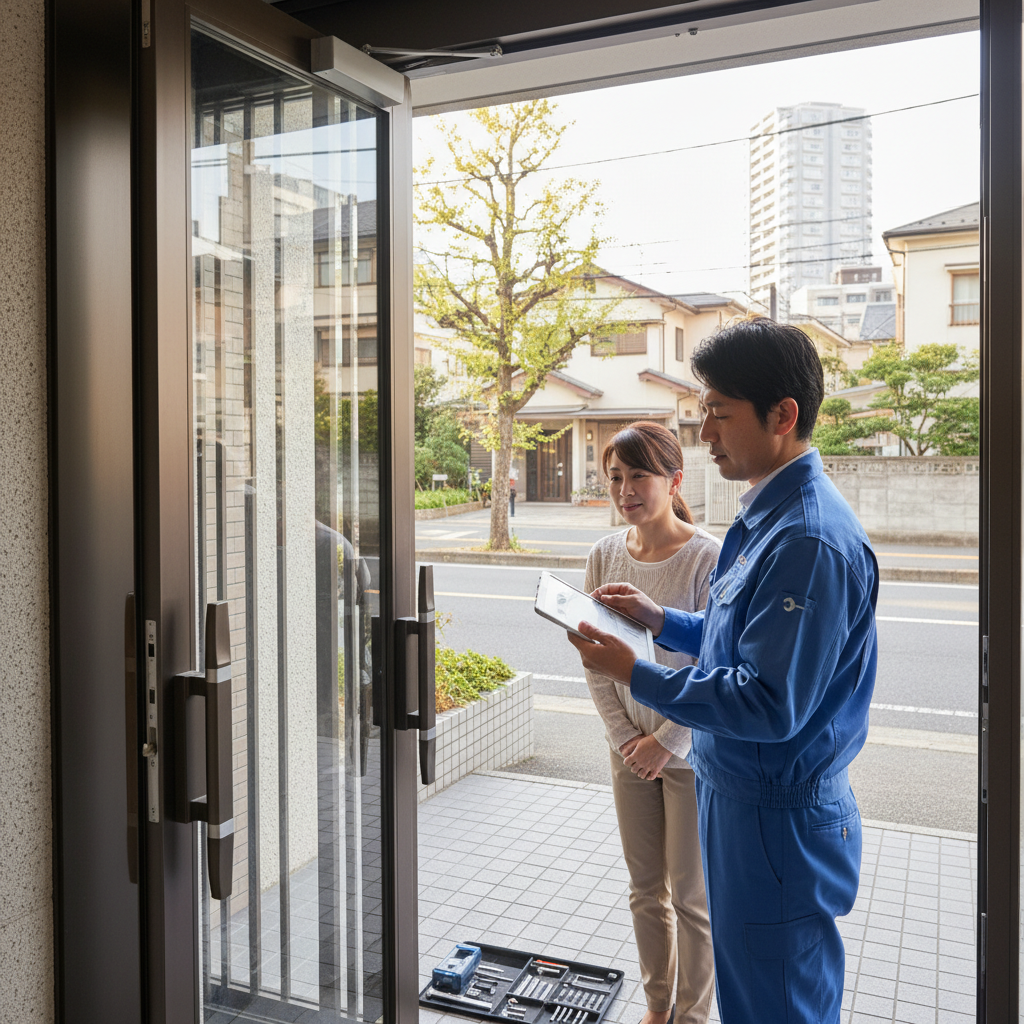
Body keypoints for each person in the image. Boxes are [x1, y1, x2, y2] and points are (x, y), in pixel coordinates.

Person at [568, 317, 878, 1024]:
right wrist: (661, 621)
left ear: (783, 415)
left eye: (719, 413)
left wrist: (637, 673)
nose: (705, 433)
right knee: (751, 998)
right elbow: (738, 640)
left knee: (778, 1006)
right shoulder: (766, 519)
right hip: (739, 793)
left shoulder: (806, 539)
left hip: (776, 815)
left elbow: (769, 699)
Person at [584, 422, 718, 1024]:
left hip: (688, 756)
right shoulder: (605, 554)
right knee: (645, 891)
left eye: (639, 474)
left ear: (674, 480)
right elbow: (593, 660)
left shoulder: (707, 558)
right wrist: (626, 740)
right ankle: (656, 1008)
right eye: (616, 476)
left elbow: (719, 668)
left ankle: (691, 1017)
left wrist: (664, 743)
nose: (626, 488)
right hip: (627, 751)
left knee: (692, 899)